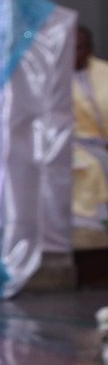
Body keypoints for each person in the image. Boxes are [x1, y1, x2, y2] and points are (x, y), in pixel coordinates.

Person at [72, 25, 108, 228]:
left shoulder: (104, 72)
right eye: (70, 48)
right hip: (77, 143)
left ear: (90, 49)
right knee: (94, 164)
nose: (75, 54)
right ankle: (95, 224)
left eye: (80, 48)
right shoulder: (53, 79)